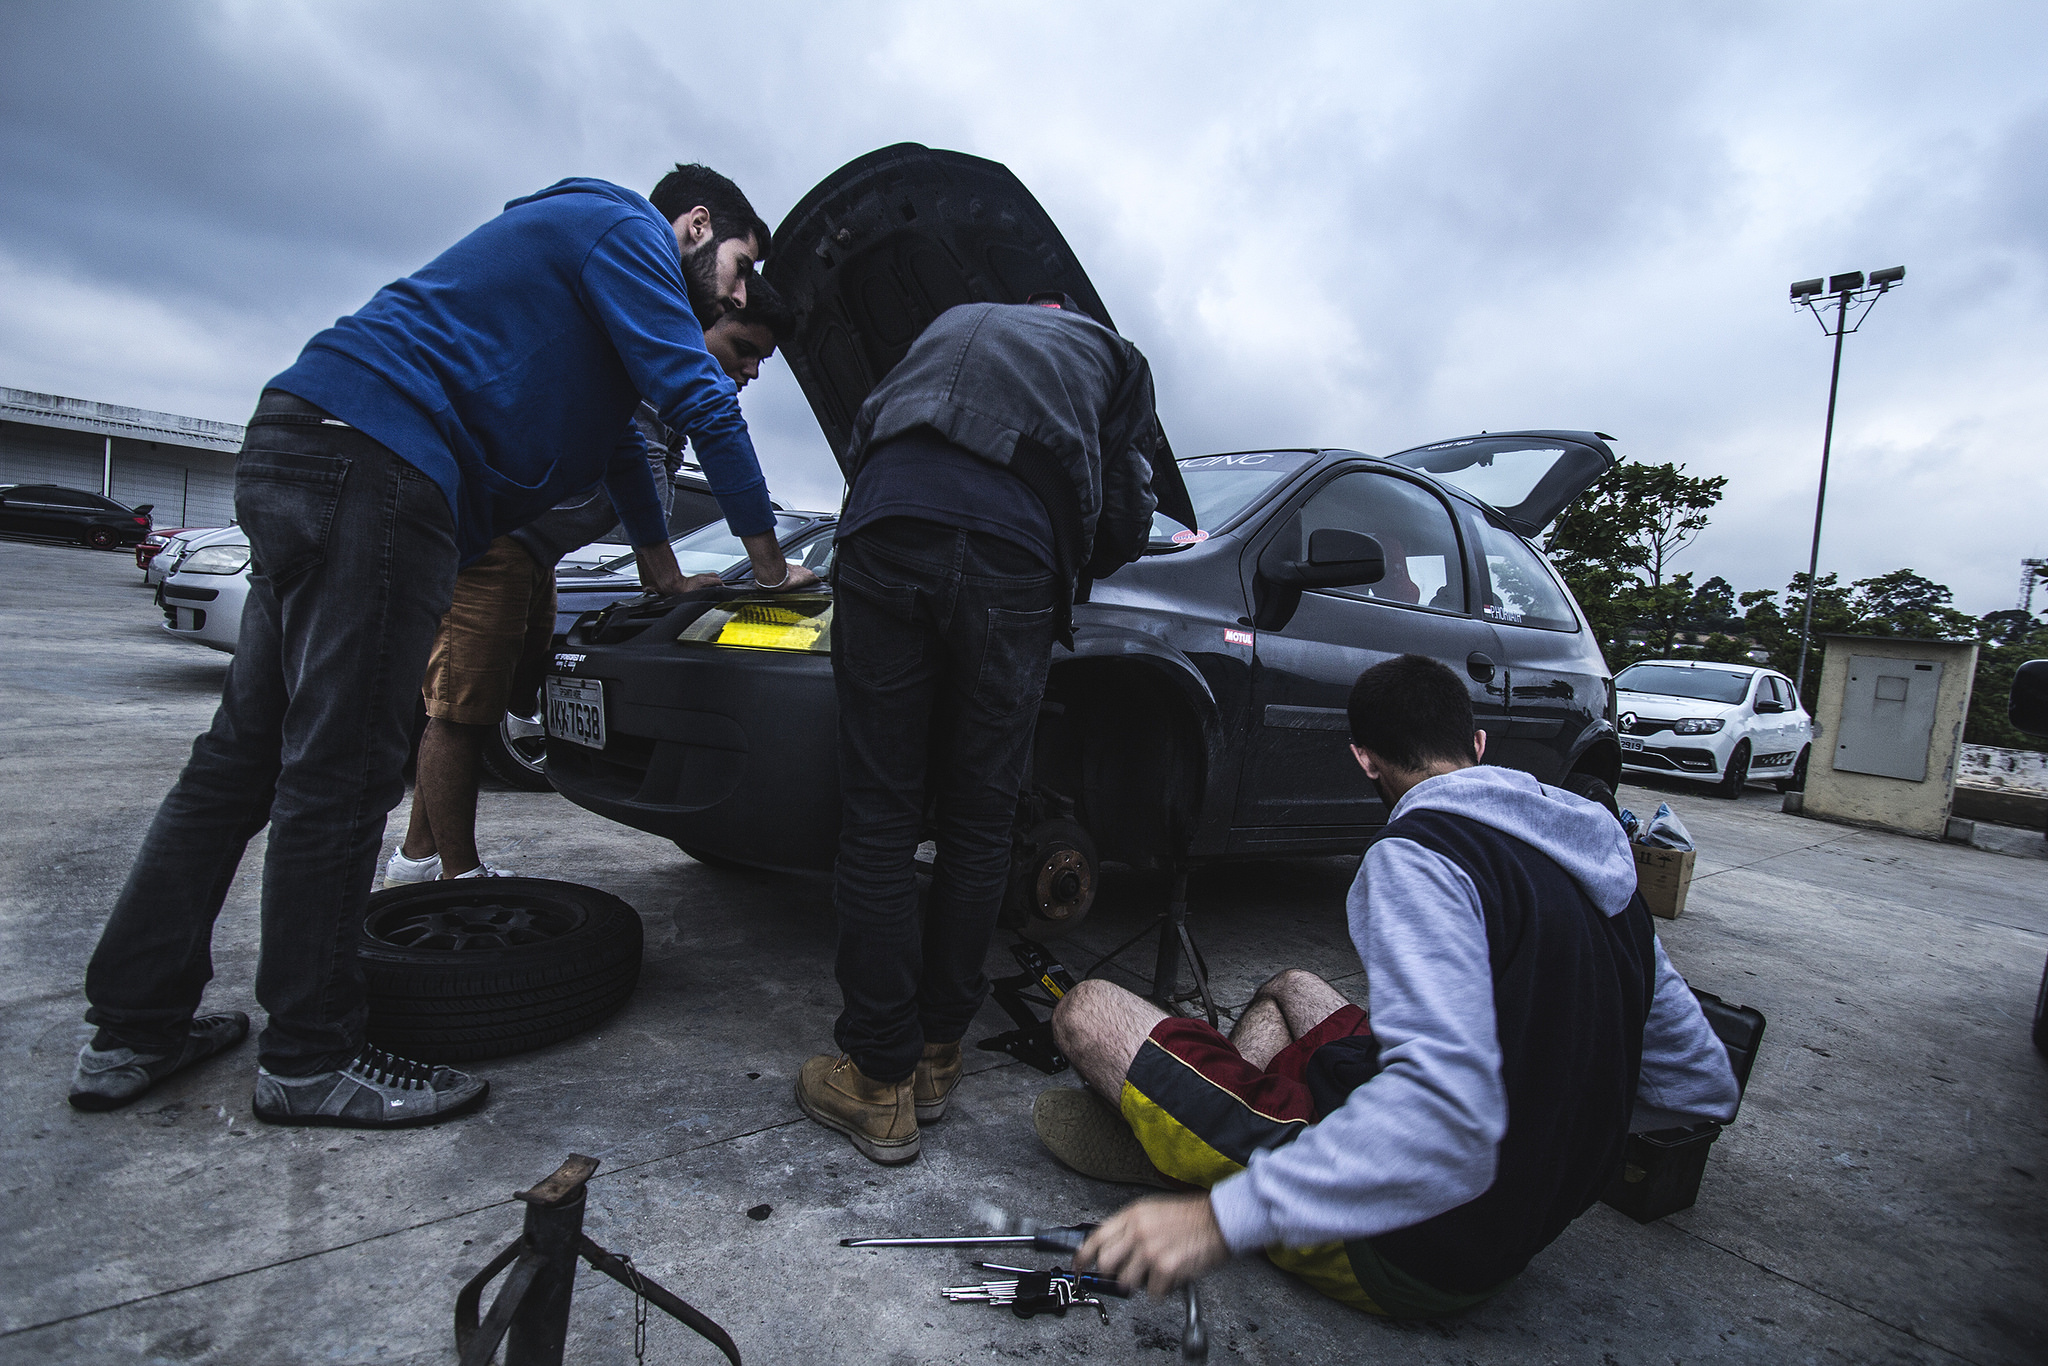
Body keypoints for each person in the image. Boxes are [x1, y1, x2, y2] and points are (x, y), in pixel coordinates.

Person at [70, 163, 817, 1129]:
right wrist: (769, 564)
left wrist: (665, 576)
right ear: (697, 224)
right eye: (743, 267)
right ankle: (308, 1055)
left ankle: (135, 1023)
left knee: (240, 760)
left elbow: (626, 452)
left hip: (309, 440)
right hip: (381, 467)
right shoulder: (624, 230)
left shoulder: (588, 292)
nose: (742, 291)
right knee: (340, 777)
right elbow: (705, 405)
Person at [1042, 654, 1741, 1315]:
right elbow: (1699, 1083)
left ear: (1363, 758)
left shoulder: (1420, 859)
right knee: (1291, 985)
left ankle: (1208, 1165)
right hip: (1516, 1224)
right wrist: (1546, 1125)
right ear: (1478, 741)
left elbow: (1446, 1125)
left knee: (1086, 1009)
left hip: (1414, 1248)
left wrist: (1218, 1221)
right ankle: (1213, 1134)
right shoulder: (1594, 856)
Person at [794, 294, 1165, 1166]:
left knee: (881, 817)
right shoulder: (1114, 357)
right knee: (979, 820)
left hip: (887, 521)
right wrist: (1065, 554)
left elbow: (866, 441)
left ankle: (877, 1083)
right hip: (1014, 554)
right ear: (1070, 316)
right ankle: (933, 1056)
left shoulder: (943, 323)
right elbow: (1125, 511)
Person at [385, 278, 799, 884]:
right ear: (694, 329)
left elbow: (639, 500)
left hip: (531, 555)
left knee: (479, 710)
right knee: (460, 715)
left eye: (763, 358)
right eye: (742, 349)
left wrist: (668, 577)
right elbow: (711, 444)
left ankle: (415, 862)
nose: (753, 370)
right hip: (491, 544)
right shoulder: (641, 391)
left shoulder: (650, 414)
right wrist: (770, 568)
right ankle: (459, 878)